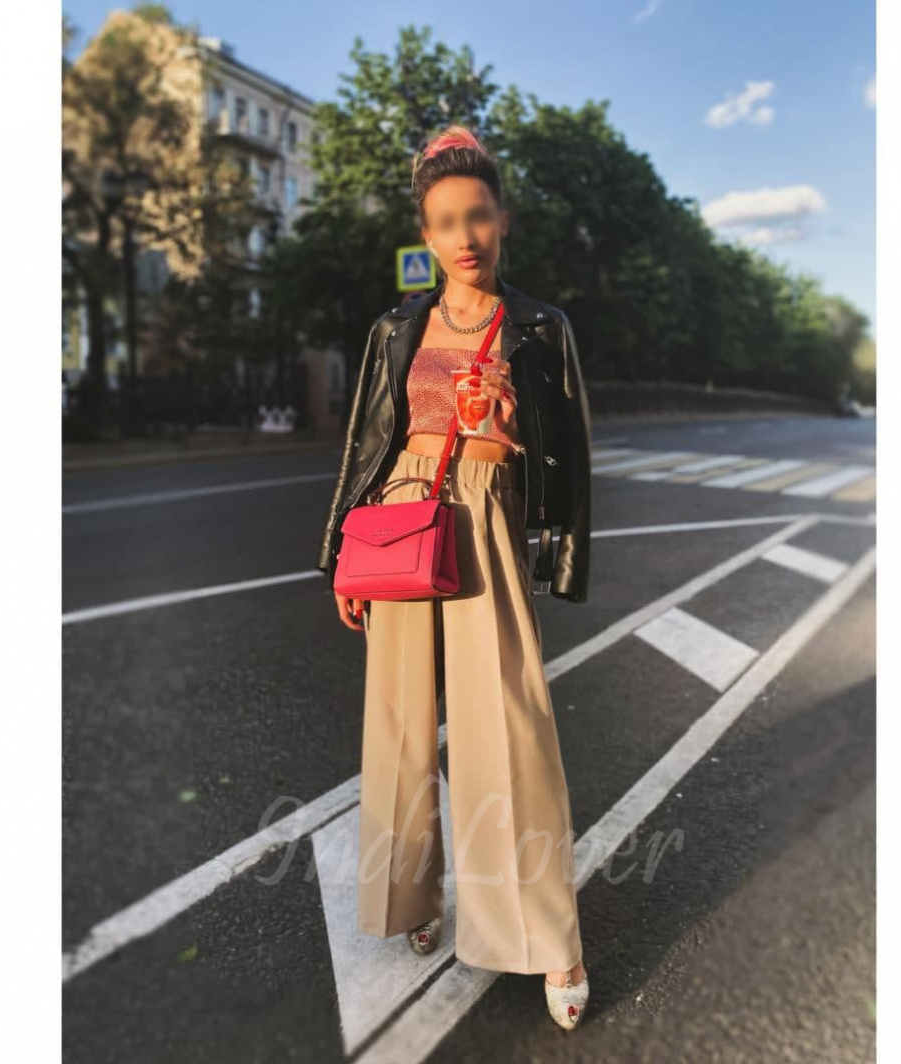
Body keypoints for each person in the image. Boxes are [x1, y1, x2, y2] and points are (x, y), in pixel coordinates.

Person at [317, 125, 592, 1030]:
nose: (463, 236)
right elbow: (368, 440)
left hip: (489, 514)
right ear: (426, 235)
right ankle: (412, 898)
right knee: (400, 729)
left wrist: (553, 532)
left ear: (502, 218)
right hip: (402, 511)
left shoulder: (541, 326)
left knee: (511, 727)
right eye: (444, 222)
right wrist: (342, 553)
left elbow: (572, 452)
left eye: (477, 215)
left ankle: (548, 938)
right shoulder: (397, 326)